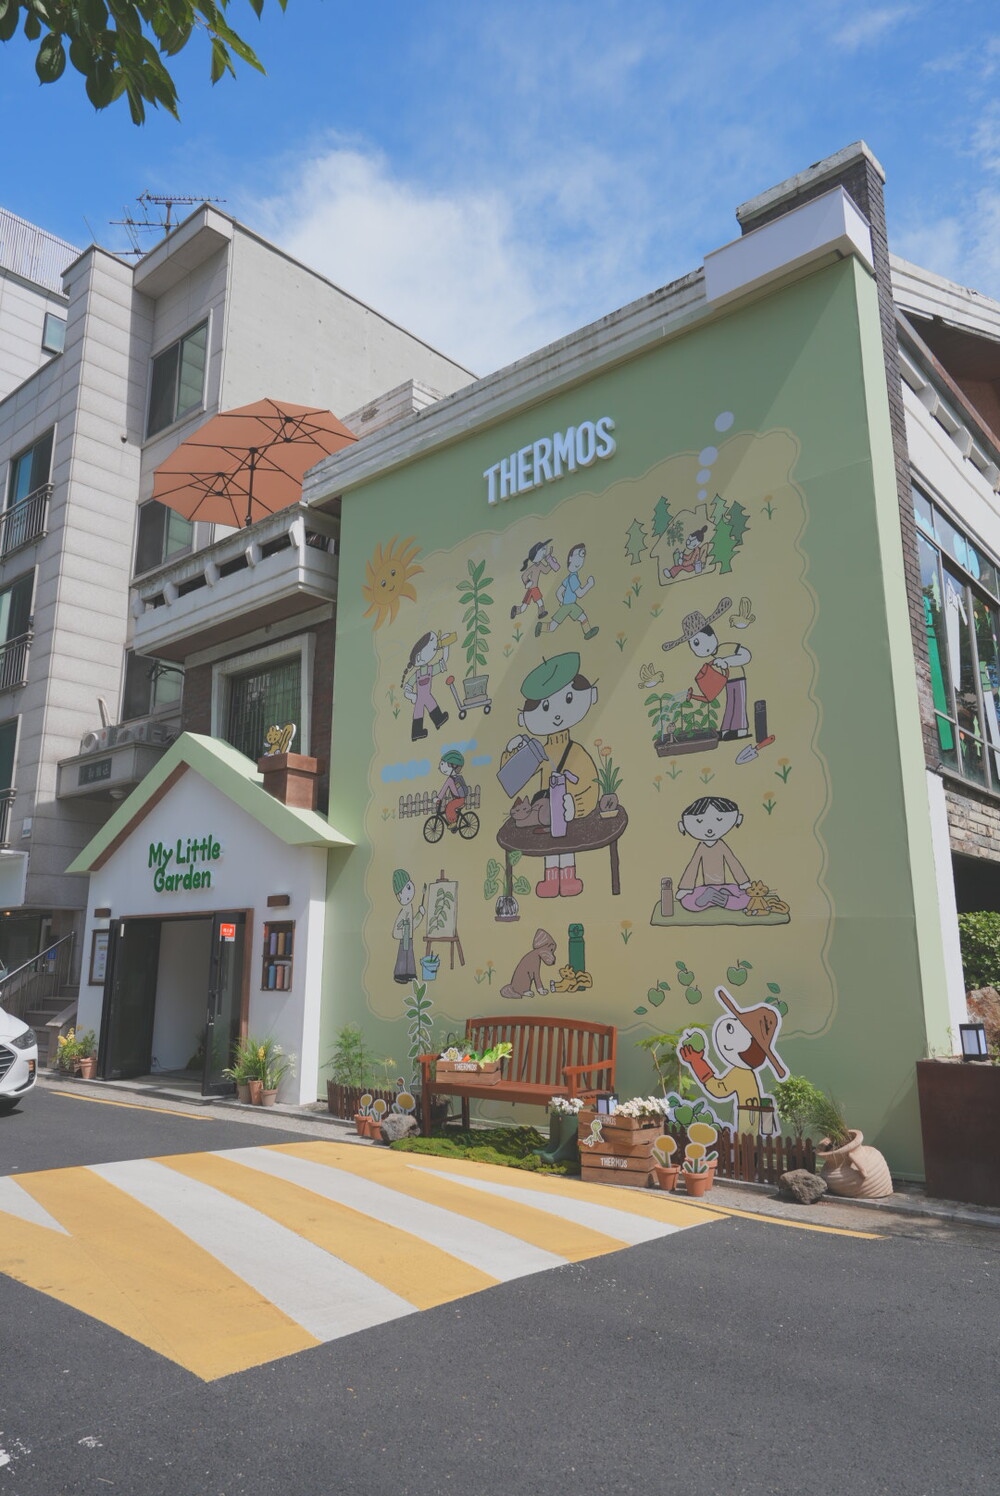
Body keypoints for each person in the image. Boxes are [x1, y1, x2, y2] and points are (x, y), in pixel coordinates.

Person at [500, 652, 600, 897]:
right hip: (545, 810)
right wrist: (512, 751)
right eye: (545, 707)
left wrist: (575, 805)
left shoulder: (576, 752)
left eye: (568, 698)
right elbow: (511, 777)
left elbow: (592, 784)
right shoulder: (539, 751)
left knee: (566, 842)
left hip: (567, 809)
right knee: (550, 844)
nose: (556, 715)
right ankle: (551, 878)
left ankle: (568, 876)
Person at [679, 987, 787, 1136]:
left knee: (745, 1146)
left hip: (747, 1127)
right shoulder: (746, 1073)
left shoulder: (740, 1073)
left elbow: (718, 1089)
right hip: (751, 1124)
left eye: (732, 1028)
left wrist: (697, 1062)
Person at [661, 599, 752, 740]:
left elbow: (746, 656)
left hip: (739, 679)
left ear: (711, 634)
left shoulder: (726, 648)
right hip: (729, 682)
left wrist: (727, 661)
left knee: (738, 702)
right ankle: (726, 729)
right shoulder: (714, 658)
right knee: (730, 704)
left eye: (698, 642)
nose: (698, 649)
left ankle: (741, 729)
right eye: (694, 644)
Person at [675, 794, 751, 911]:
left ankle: (716, 897)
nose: (709, 829)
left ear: (737, 819)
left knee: (747, 897)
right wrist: (686, 888)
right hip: (705, 889)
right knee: (686, 901)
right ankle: (723, 898)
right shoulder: (701, 848)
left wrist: (743, 882)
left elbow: (733, 863)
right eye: (699, 821)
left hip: (723, 887)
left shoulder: (721, 846)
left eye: (719, 819)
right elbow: (693, 866)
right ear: (683, 826)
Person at [535, 543, 598, 640]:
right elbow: (579, 593)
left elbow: (558, 592)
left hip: (569, 605)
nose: (580, 560)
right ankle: (541, 626)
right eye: (579, 555)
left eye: (582, 556)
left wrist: (562, 601)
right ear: (570, 558)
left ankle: (588, 632)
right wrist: (589, 585)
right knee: (553, 626)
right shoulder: (573, 578)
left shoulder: (570, 577)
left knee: (582, 617)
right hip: (569, 605)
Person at [401, 631, 450, 742]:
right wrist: (411, 695)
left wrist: (446, 647)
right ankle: (418, 731)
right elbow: (407, 687)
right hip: (420, 697)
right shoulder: (417, 674)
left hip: (426, 695)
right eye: (432, 642)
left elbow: (444, 661)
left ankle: (437, 721)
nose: (435, 647)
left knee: (430, 704)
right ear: (418, 657)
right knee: (420, 710)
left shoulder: (430, 669)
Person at [512, 539, 559, 620]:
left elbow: (545, 570)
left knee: (525, 606)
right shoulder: (533, 567)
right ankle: (540, 613)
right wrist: (527, 582)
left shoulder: (539, 565)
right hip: (533, 588)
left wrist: (551, 564)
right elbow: (524, 576)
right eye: (542, 550)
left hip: (533, 589)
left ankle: (516, 610)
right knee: (538, 602)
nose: (544, 552)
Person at [391, 869, 424, 984]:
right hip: (404, 938)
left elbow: (412, 925)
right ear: (399, 895)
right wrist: (404, 931)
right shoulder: (404, 910)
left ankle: (410, 973)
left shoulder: (409, 907)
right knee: (402, 956)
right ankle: (399, 974)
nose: (411, 890)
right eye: (407, 888)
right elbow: (395, 932)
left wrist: (420, 914)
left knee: (409, 955)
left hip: (408, 938)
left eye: (410, 886)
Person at [436, 749, 468, 829]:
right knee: (450, 806)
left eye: (443, 764)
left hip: (460, 799)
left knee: (449, 807)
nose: (440, 767)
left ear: (453, 766)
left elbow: (444, 789)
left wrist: (438, 798)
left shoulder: (451, 779)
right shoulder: (455, 778)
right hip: (458, 798)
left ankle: (453, 823)